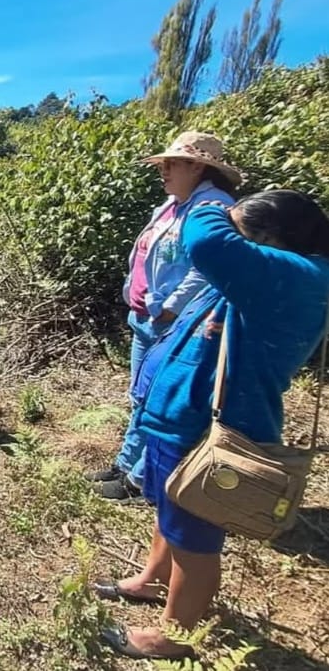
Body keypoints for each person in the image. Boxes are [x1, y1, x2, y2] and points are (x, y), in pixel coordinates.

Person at [95, 191, 329, 661]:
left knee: (194, 535)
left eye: (240, 233)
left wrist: (208, 205)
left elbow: (205, 241)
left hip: (211, 427)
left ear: (271, 238)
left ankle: (173, 636)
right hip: (182, 416)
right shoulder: (274, 272)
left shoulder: (296, 277)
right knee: (171, 507)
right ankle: (155, 578)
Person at [87, 132, 238, 501]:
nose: (163, 171)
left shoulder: (213, 208)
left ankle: (142, 481)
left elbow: (203, 270)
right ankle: (126, 463)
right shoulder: (171, 205)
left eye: (172, 164)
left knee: (161, 404)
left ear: (197, 167)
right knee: (141, 396)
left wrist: (170, 309)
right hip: (148, 318)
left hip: (176, 325)